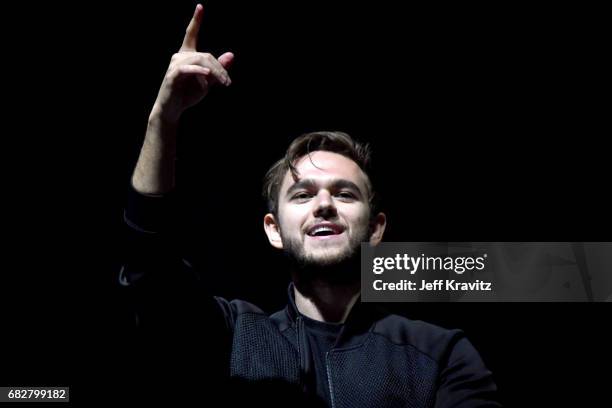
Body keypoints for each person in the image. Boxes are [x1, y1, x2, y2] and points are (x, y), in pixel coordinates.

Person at [120, 4, 500, 407]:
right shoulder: (231, 336)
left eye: (344, 193)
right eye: (302, 195)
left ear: (375, 228)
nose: (323, 205)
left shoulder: (440, 354)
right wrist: (164, 118)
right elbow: (149, 264)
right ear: (273, 229)